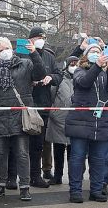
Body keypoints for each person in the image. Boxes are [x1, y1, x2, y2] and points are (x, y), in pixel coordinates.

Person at [0, 37, 45, 201]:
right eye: (0, 49)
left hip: (20, 116)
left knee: (22, 153)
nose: (5, 51)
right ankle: (0, 186)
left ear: (13, 48)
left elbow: (40, 74)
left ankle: (24, 188)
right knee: (0, 154)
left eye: (7, 47)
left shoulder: (25, 64)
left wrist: (34, 54)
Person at [66, 43, 108, 204]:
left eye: (99, 51)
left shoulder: (106, 72)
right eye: (93, 51)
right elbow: (85, 82)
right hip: (80, 121)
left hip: (101, 122)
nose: (96, 53)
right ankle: (75, 190)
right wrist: (97, 66)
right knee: (77, 158)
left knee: (100, 159)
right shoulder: (79, 70)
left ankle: (96, 190)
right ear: (86, 55)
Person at [20, 28, 60, 190]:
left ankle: (35, 176)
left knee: (38, 144)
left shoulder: (49, 56)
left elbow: (59, 75)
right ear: (30, 39)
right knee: (21, 144)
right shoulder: (22, 54)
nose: (41, 40)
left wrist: (51, 78)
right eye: (37, 37)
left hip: (43, 104)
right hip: (25, 103)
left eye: (43, 37)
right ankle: (16, 176)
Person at [45, 56, 78, 185]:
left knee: (73, 151)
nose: (74, 66)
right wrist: (54, 112)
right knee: (58, 150)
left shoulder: (81, 78)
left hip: (74, 120)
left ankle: (72, 177)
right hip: (58, 119)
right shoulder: (60, 79)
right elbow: (51, 96)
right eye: (72, 63)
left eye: (76, 63)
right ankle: (57, 176)